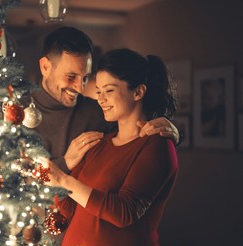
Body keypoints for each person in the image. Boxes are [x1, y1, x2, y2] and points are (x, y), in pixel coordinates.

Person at [44, 48, 179, 246]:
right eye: (98, 91)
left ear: (138, 92)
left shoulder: (157, 146)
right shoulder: (98, 142)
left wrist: (63, 181)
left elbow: (124, 212)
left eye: (109, 90)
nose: (101, 99)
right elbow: (68, 207)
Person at [30, 26, 179, 174]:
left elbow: (139, 143)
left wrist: (174, 132)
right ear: (45, 67)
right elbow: (12, 185)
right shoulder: (15, 114)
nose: (79, 88)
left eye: (85, 78)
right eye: (70, 77)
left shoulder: (98, 112)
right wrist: (65, 163)